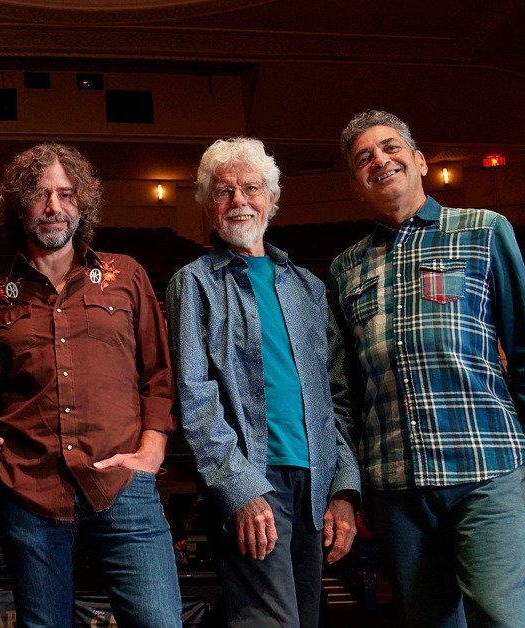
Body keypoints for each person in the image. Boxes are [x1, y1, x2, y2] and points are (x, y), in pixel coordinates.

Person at [329, 109, 525, 627]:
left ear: (419, 161)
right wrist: (356, 485)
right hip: (395, 484)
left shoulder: (484, 230)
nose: (379, 160)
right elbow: (350, 391)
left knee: (502, 616)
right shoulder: (345, 268)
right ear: (355, 184)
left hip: (487, 467)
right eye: (364, 158)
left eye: (391, 148)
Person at [0, 143, 182, 627]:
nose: (53, 206)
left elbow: (158, 374)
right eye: (39, 194)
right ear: (17, 206)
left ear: (82, 203)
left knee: (158, 621)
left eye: (66, 194)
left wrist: (152, 452)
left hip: (124, 484)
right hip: (29, 490)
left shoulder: (126, 275)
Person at [166, 137, 361, 627]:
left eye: (251, 188)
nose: (239, 201)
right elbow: (194, 396)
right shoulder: (194, 282)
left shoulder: (307, 286)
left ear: (271, 198)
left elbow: (336, 396)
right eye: (224, 191)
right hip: (252, 478)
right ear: (208, 205)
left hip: (315, 483)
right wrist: (240, 490)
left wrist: (344, 488)